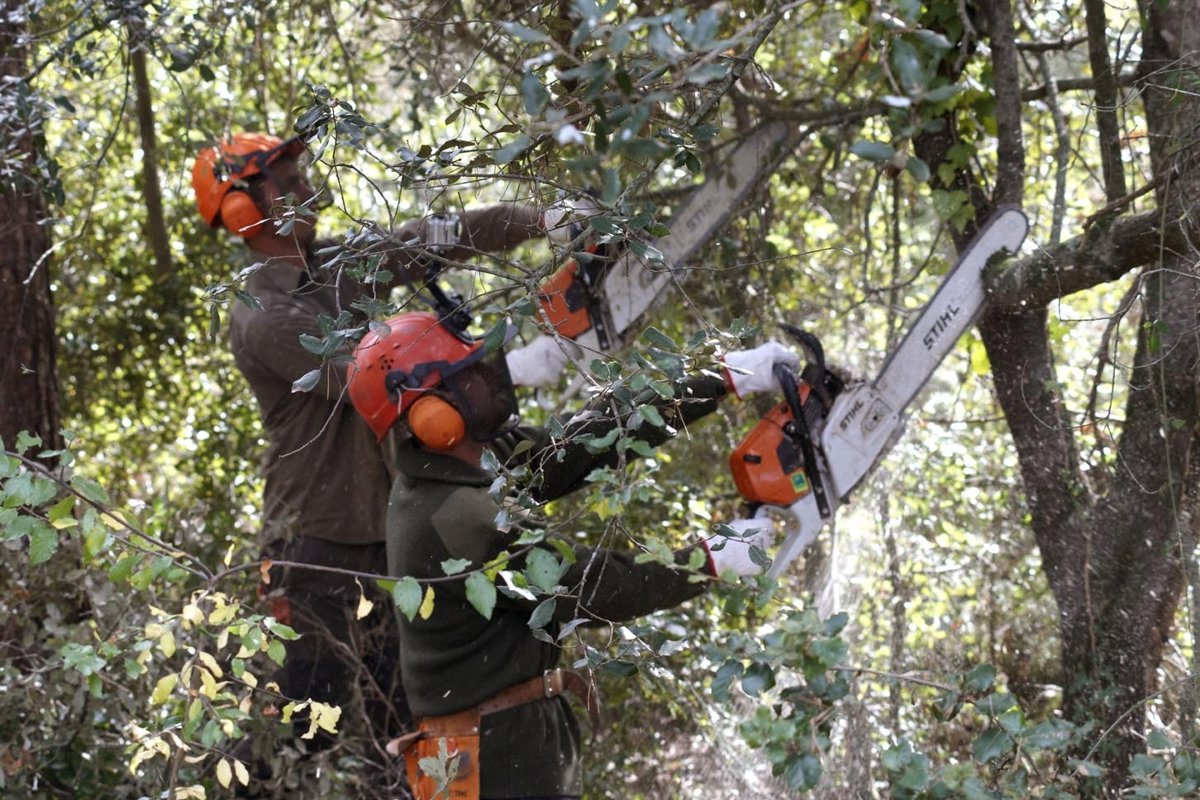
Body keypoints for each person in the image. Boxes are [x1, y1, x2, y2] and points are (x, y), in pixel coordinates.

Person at [190, 132, 554, 795]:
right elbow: (371, 382)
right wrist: (512, 369)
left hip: (389, 535)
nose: (308, 190)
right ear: (244, 210)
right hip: (317, 548)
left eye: (303, 176)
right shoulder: (262, 314)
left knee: (406, 716)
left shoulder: (339, 263)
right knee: (305, 728)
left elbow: (432, 238)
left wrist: (543, 219)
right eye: (289, 184)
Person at [345, 308, 798, 800]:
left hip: (507, 740)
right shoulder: (455, 517)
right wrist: (708, 562)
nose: (490, 377)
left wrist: (723, 378)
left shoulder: (467, 464)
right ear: (433, 415)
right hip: (490, 760)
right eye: (468, 374)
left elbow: (585, 444)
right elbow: (593, 588)